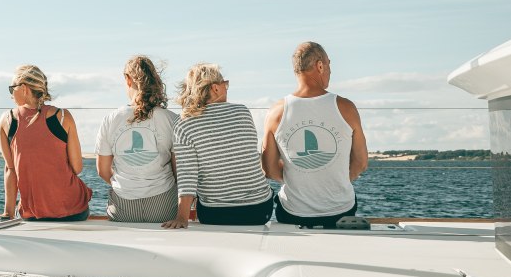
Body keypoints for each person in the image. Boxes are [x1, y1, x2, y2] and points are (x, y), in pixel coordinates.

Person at [262, 42, 368, 228]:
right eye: (329, 64)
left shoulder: (276, 112)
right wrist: (336, 179)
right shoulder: (346, 107)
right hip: (341, 211)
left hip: (293, 213)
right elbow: (361, 162)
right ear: (320, 66)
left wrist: (298, 178)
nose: (330, 71)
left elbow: (269, 169)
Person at [163, 63, 273, 228]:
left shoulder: (184, 124)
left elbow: (188, 175)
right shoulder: (242, 112)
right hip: (259, 211)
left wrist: (182, 218)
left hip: (215, 214)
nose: (227, 88)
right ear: (215, 88)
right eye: (225, 84)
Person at [0, 64, 91, 221]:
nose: (11, 94)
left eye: (11, 88)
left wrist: (8, 213)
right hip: (74, 210)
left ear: (24, 88)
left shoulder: (7, 120)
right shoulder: (63, 116)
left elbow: (10, 170)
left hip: (33, 214)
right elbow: (77, 167)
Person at [96, 56, 178, 223]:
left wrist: (128, 186)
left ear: (128, 79)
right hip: (163, 207)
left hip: (123, 207)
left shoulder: (110, 119)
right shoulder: (171, 119)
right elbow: (179, 172)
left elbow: (103, 171)